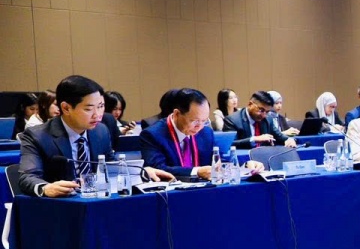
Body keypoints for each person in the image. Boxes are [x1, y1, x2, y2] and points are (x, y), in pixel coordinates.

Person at [17, 75, 171, 197]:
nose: (97, 115)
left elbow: (111, 166)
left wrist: (141, 172)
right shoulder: (37, 136)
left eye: (101, 106)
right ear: (66, 108)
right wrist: (45, 188)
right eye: (89, 109)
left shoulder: (100, 131)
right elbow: (27, 177)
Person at [140, 88, 247, 180]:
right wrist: (197, 171)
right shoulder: (152, 135)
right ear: (177, 114)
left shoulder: (206, 132)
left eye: (204, 121)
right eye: (195, 121)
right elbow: (158, 169)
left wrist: (245, 165)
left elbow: (218, 161)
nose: (199, 126)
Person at [223, 90, 297, 150]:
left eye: (267, 112)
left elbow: (280, 137)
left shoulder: (268, 119)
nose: (264, 115)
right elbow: (229, 144)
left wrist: (289, 140)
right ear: (250, 104)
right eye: (261, 110)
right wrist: (254, 139)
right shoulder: (232, 120)